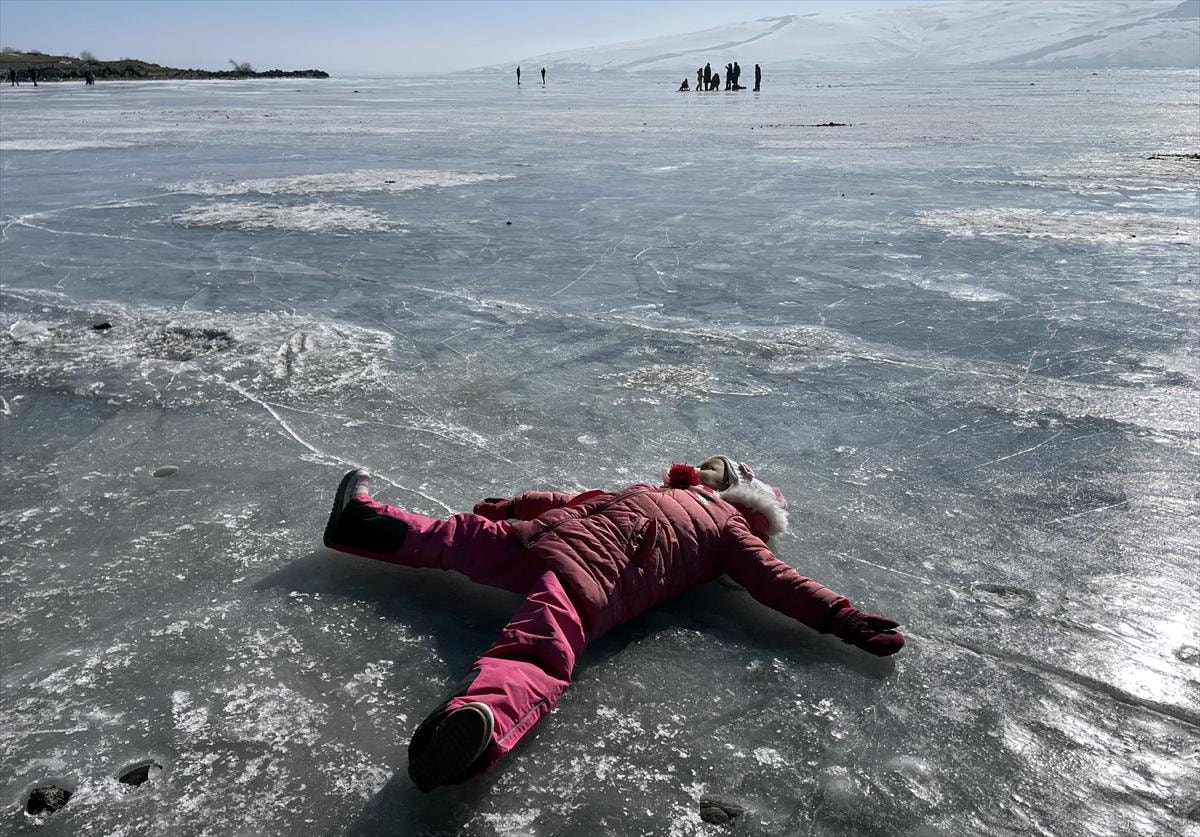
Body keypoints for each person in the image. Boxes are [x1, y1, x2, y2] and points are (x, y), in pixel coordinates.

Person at [323, 456, 905, 792]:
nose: (698, 469)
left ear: (738, 490)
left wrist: (842, 616)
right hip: (553, 542)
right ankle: (362, 523)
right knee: (464, 541)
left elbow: (777, 580)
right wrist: (512, 507)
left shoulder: (729, 532)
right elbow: (577, 498)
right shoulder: (657, 492)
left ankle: (481, 720)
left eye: (712, 467)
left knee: (533, 640)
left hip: (589, 570)